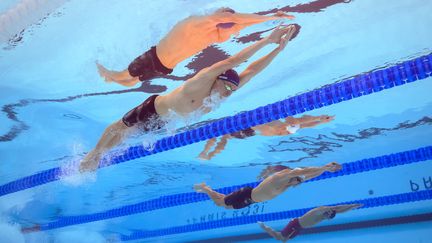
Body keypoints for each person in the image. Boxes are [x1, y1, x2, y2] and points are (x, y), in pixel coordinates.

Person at [79, 25, 298, 172]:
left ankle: (100, 157)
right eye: (225, 88)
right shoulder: (202, 81)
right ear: (217, 78)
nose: (226, 93)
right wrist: (268, 40)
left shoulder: (223, 91)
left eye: (231, 91)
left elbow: (252, 71)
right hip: (153, 110)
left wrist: (279, 50)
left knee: (126, 139)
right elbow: (237, 60)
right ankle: (94, 154)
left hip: (162, 124)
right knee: (120, 128)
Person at [97, 8, 295, 87]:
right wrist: (270, 17)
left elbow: (236, 22)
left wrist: (272, 17)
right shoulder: (208, 29)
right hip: (165, 69)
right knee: (132, 81)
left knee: (122, 73)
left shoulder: (206, 27)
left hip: (154, 58)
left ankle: (107, 74)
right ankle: (110, 78)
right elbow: (235, 22)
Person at [193, 162, 341, 209]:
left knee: (224, 204)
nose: (299, 182)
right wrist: (325, 167)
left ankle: (206, 189)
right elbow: (305, 171)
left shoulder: (291, 182)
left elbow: (309, 176)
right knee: (222, 204)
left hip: (252, 200)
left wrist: (322, 172)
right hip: (247, 194)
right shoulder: (282, 176)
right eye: (298, 179)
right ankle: (205, 188)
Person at [198, 115, 335, 160]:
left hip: (247, 131)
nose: (284, 133)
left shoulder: (283, 126)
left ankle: (207, 154)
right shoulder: (287, 125)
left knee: (221, 136)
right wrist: (320, 120)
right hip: (249, 131)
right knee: (224, 137)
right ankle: (207, 154)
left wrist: (320, 119)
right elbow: (304, 123)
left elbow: (303, 123)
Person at [258, 203, 363, 242]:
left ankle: (264, 226)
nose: (327, 218)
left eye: (329, 218)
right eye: (329, 216)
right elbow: (336, 208)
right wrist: (351, 206)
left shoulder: (324, 215)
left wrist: (352, 206)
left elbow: (339, 210)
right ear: (328, 212)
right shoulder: (321, 210)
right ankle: (263, 226)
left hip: (300, 228)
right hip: (295, 224)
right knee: (280, 238)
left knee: (284, 240)